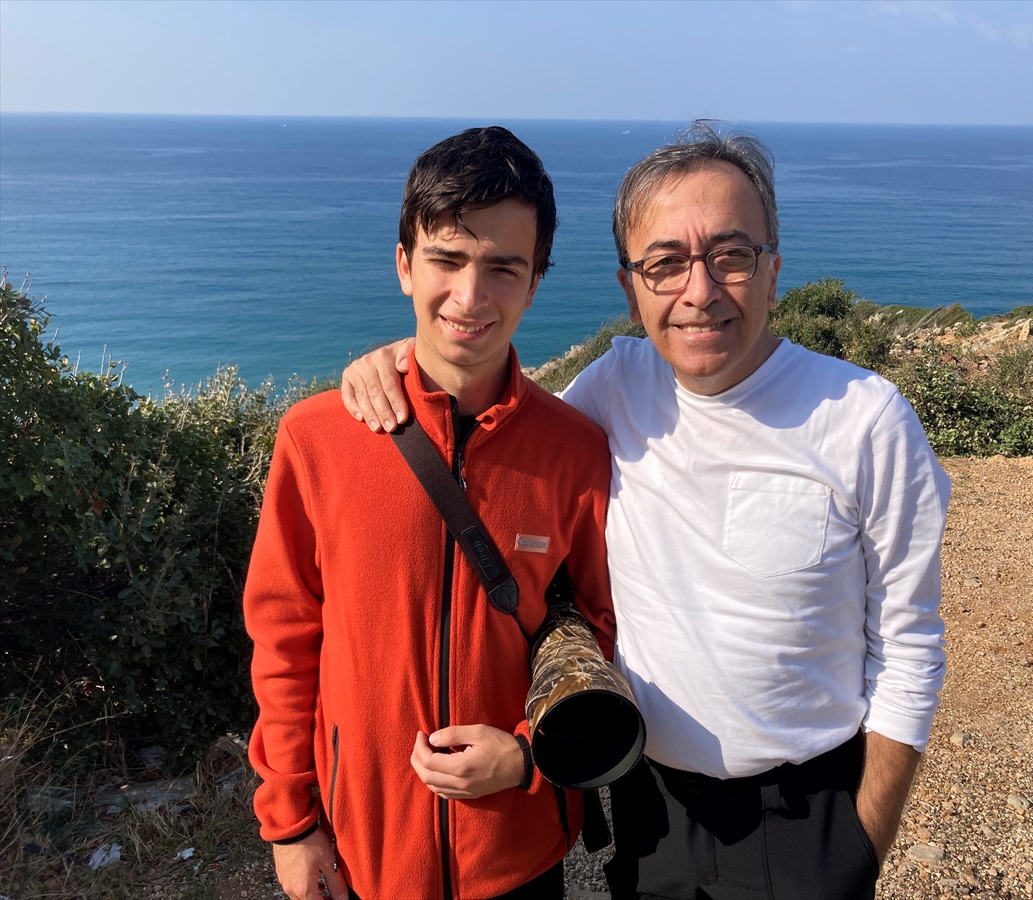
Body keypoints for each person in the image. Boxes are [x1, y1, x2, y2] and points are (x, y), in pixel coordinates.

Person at [341, 123, 951, 900]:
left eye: (731, 255)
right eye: (665, 264)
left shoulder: (865, 419)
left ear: (773, 270)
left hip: (807, 815)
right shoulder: (612, 388)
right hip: (646, 806)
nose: (700, 291)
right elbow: (499, 432)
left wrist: (861, 844)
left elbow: (910, 644)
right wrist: (401, 362)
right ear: (631, 289)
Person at [244, 126, 616, 900]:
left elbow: (604, 625)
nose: (470, 297)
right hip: (363, 849)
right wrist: (290, 823)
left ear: (534, 283)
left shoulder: (576, 450)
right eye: (446, 259)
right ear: (404, 265)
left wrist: (528, 753)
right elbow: (285, 640)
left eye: (503, 268)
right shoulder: (316, 439)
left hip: (518, 847)